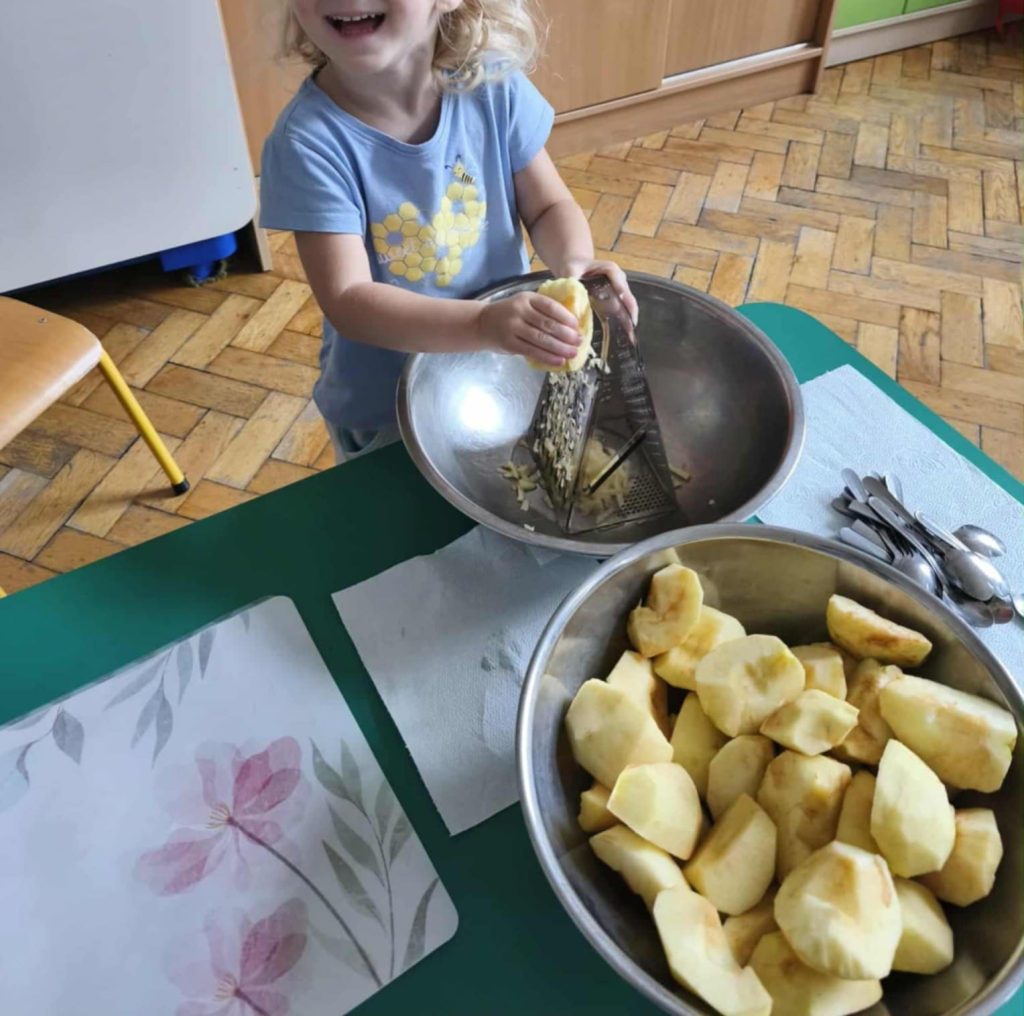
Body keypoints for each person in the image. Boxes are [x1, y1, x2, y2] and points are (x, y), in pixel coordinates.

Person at [261, 0, 637, 459]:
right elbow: (349, 299)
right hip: (387, 412)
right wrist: (482, 323)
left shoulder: (492, 86)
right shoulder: (308, 142)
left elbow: (548, 206)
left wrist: (577, 267)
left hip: (498, 377)